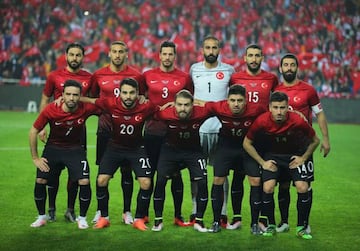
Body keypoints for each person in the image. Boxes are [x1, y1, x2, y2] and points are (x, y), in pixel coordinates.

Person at [243, 91, 320, 240]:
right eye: (276, 107)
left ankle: (301, 227)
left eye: (282, 107)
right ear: (270, 107)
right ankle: (271, 225)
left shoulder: (297, 120)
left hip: (293, 156)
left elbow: (315, 140)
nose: (279, 111)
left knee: (303, 187)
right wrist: (262, 162)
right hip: (272, 156)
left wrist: (303, 158)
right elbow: (247, 143)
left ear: (288, 107)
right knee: (268, 187)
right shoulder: (262, 121)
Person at [84, 78, 156, 231]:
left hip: (137, 149)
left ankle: (138, 219)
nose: (128, 96)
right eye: (125, 93)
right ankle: (104, 217)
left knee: (146, 183)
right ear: (119, 93)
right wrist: (71, 97)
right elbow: (92, 100)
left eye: (132, 93)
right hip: (114, 148)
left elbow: (162, 110)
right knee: (102, 180)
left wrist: (173, 105)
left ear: (137, 93)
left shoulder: (146, 106)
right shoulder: (110, 103)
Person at [29, 80, 101, 229]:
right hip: (53, 149)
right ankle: (42, 217)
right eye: (68, 94)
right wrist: (35, 158)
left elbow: (105, 104)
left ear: (80, 96)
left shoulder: (85, 108)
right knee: (41, 180)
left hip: (75, 150)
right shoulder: (51, 109)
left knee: (84, 181)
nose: (71, 98)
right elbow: (33, 131)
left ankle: (82, 218)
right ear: (62, 95)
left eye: (75, 95)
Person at [90, 41, 146, 225]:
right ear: (109, 54)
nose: (117, 55)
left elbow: (143, 99)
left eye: (121, 52)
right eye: (114, 51)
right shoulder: (98, 74)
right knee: (102, 173)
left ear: (126, 54)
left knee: (127, 172)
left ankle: (127, 211)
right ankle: (101, 212)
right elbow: (93, 99)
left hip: (129, 134)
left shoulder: (136, 76)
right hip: (105, 131)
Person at [274, 53, 331, 233]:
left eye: (292, 65)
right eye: (286, 65)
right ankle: (283, 222)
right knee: (282, 185)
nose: (289, 68)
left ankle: (304, 224)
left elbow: (319, 114)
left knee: (303, 185)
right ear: (281, 68)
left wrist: (326, 138)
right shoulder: (276, 90)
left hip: (303, 145)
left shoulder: (308, 90)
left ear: (297, 68)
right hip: (280, 144)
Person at [200, 85, 266, 234]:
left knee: (255, 181)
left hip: (247, 147)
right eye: (233, 100)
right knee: (217, 179)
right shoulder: (219, 107)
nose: (236, 104)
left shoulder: (257, 109)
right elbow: (201, 105)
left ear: (246, 101)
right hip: (226, 147)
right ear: (227, 100)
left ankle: (254, 224)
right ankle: (216, 221)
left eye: (240, 101)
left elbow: (272, 114)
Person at [38, 42, 93, 223]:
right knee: (52, 172)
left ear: (82, 57)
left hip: (78, 131)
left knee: (76, 174)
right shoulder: (54, 76)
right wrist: (42, 126)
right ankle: (51, 208)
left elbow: (94, 101)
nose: (75, 58)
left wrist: (80, 99)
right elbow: (46, 98)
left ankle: (70, 209)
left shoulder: (89, 78)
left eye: (78, 55)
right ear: (66, 56)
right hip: (56, 129)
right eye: (72, 55)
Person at [143, 41, 193, 226]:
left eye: (170, 54)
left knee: (175, 175)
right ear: (159, 55)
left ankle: (178, 216)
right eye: (164, 54)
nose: (167, 57)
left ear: (175, 56)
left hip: (173, 134)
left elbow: (190, 102)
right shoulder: (147, 76)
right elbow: (140, 98)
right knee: (149, 174)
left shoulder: (184, 78)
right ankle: (146, 214)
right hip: (152, 132)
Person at [229, 44, 279, 229]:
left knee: (262, 178)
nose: (254, 59)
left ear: (262, 58)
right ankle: (236, 217)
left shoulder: (271, 79)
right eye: (250, 55)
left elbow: (281, 98)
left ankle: (262, 218)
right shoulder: (235, 78)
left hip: (264, 135)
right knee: (237, 175)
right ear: (245, 58)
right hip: (239, 133)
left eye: (257, 56)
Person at [189, 35, 235, 228]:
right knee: (196, 173)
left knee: (221, 173)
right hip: (198, 129)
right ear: (202, 50)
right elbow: (189, 96)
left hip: (220, 129)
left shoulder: (229, 71)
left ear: (219, 50)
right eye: (207, 47)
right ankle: (194, 209)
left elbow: (234, 98)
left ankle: (223, 212)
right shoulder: (194, 69)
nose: (210, 51)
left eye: (214, 47)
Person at [151, 90, 210, 232]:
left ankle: (199, 221)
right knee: (160, 181)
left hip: (193, 151)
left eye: (187, 105)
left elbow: (216, 108)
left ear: (193, 105)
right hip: (170, 150)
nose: (183, 108)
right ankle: (158, 221)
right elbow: (149, 112)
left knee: (202, 182)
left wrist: (199, 101)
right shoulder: (165, 114)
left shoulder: (201, 113)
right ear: (174, 105)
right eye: (179, 105)